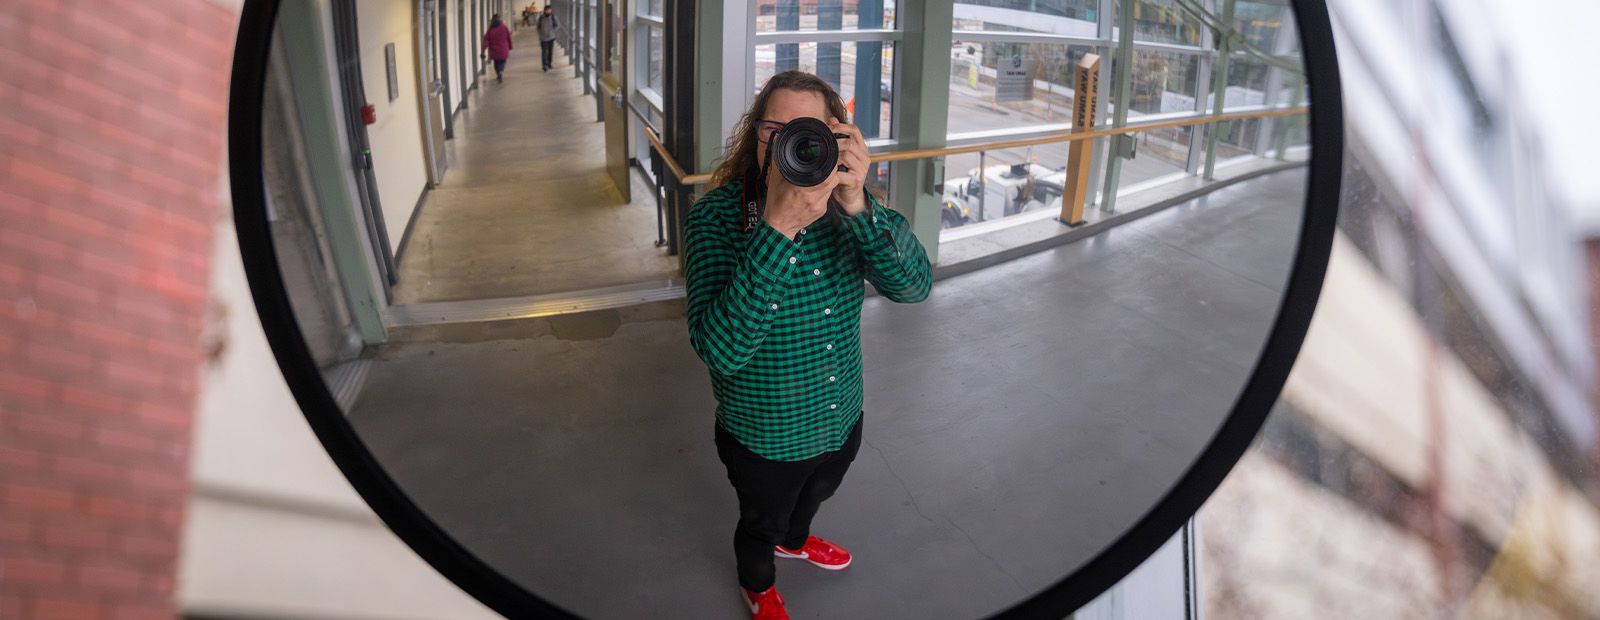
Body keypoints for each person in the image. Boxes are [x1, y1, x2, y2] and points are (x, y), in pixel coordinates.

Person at [683, 70, 932, 620]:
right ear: (757, 137)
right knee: (760, 523)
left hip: (842, 416)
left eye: (810, 130)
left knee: (813, 500)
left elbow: (914, 288)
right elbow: (719, 350)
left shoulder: (850, 210)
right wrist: (775, 229)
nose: (791, 142)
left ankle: (796, 541)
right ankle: (758, 580)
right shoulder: (717, 219)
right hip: (764, 437)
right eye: (777, 128)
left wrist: (859, 202)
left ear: (838, 138)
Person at [481, 15, 513, 83]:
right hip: (503, 48)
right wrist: (510, 46)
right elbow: (509, 37)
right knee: (503, 61)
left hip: (494, 50)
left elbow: (486, 41)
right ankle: (500, 72)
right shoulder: (504, 27)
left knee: (496, 62)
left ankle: (498, 72)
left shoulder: (490, 29)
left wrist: (483, 51)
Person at [536, 5, 563, 72]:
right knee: (544, 52)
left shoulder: (553, 17)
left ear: (551, 10)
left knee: (550, 51)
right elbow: (538, 26)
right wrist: (540, 33)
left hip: (551, 37)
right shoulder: (541, 18)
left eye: (549, 10)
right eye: (547, 10)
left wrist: (553, 31)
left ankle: (549, 63)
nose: (548, 11)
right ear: (544, 10)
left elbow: (558, 25)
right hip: (543, 38)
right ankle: (545, 65)